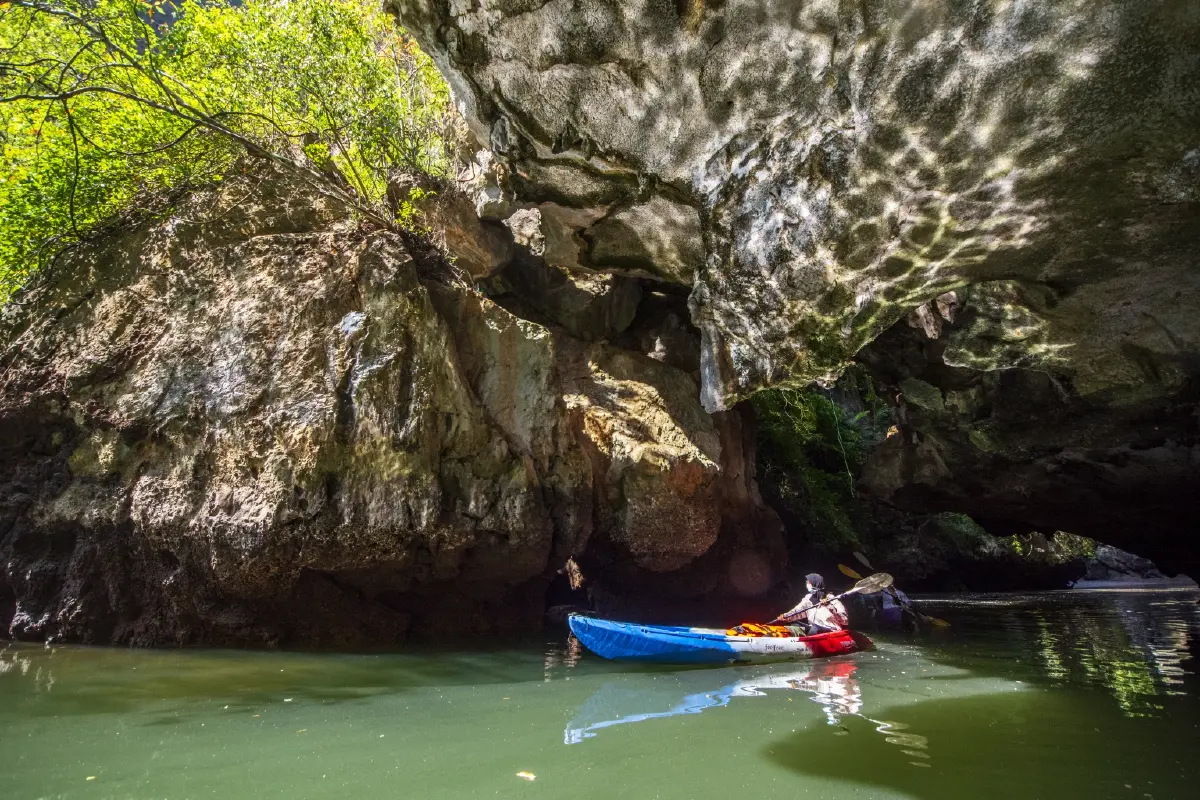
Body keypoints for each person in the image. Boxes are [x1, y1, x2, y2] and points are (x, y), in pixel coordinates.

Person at [772, 573, 849, 635]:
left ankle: (808, 643)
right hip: (813, 629)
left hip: (831, 630)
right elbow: (797, 611)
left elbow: (845, 620)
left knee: (815, 628)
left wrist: (829, 606)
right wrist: (785, 616)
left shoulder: (832, 600)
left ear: (815, 584)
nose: (806, 584)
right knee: (795, 625)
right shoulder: (808, 599)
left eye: (808, 582)